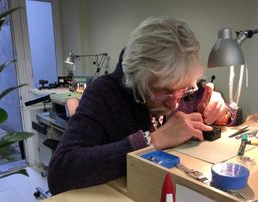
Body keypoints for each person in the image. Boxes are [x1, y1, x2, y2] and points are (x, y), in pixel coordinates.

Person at [47, 16, 236, 195]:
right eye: (164, 91)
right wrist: (151, 141)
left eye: (183, 89)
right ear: (137, 81)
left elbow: (216, 109)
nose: (174, 102)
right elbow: (60, 173)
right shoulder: (103, 94)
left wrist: (221, 113)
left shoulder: (180, 85)